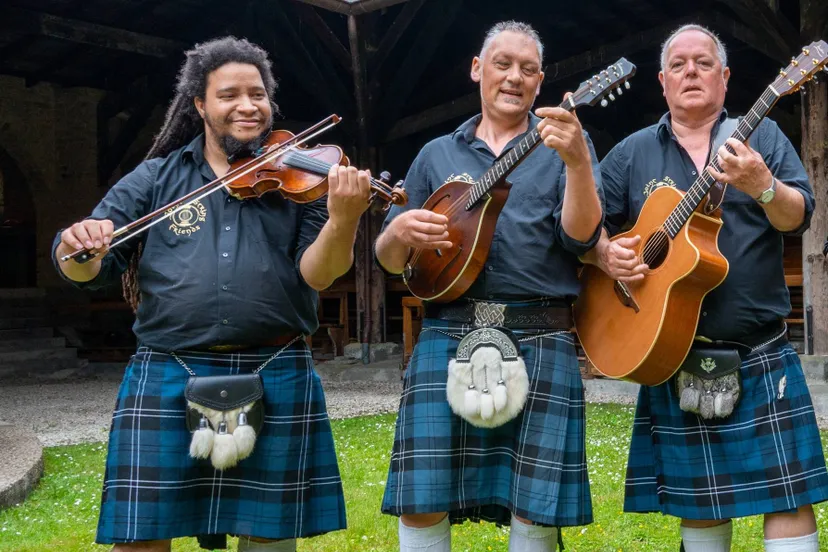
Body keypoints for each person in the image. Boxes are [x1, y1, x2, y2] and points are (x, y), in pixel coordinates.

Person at [53, 36, 373, 552]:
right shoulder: (158, 176)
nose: (247, 105)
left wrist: (343, 219)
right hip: (168, 369)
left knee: (268, 538)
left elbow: (320, 274)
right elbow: (87, 267)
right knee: (140, 538)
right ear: (200, 105)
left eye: (258, 94)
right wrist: (78, 246)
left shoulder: (301, 176)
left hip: (274, 366)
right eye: (229, 95)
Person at [588, 24, 828, 552]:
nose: (690, 72)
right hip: (674, 354)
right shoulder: (632, 153)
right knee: (700, 506)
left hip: (759, 351)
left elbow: (798, 217)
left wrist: (762, 185)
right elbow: (580, 225)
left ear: (725, 78)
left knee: (788, 498)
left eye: (702, 63)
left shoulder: (760, 137)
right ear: (662, 81)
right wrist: (605, 254)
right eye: (678, 64)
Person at [374, 20, 603, 552]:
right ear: (478, 69)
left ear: (541, 81)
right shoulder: (436, 155)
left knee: (536, 502)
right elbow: (392, 262)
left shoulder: (566, 142)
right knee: (421, 497)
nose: (513, 77)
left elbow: (582, 236)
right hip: (447, 333)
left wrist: (577, 161)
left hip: (540, 333)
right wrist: (397, 232)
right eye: (502, 64)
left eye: (527, 69)